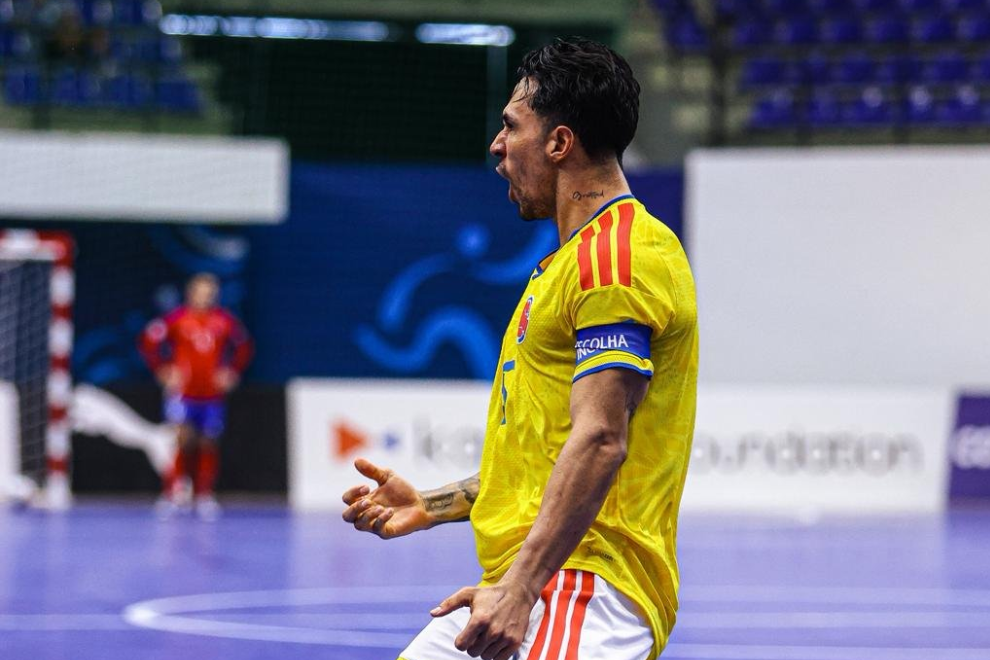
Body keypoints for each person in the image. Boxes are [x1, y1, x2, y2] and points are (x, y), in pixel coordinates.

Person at [342, 37, 697, 660]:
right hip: (533, 582)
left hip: (580, 589)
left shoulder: (615, 261)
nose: (496, 145)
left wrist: (521, 588)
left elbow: (600, 440)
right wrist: (428, 505)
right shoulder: (570, 264)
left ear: (559, 142)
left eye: (511, 126)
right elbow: (544, 462)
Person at [139, 273, 253, 518]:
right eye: (201, 292)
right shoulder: (176, 318)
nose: (205, 297)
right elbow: (149, 341)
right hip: (183, 392)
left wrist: (231, 372)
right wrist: (162, 369)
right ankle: (174, 492)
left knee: (208, 441)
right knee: (182, 438)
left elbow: (244, 347)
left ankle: (203, 494)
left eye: (210, 293)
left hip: (211, 393)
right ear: (190, 293)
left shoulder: (224, 321)